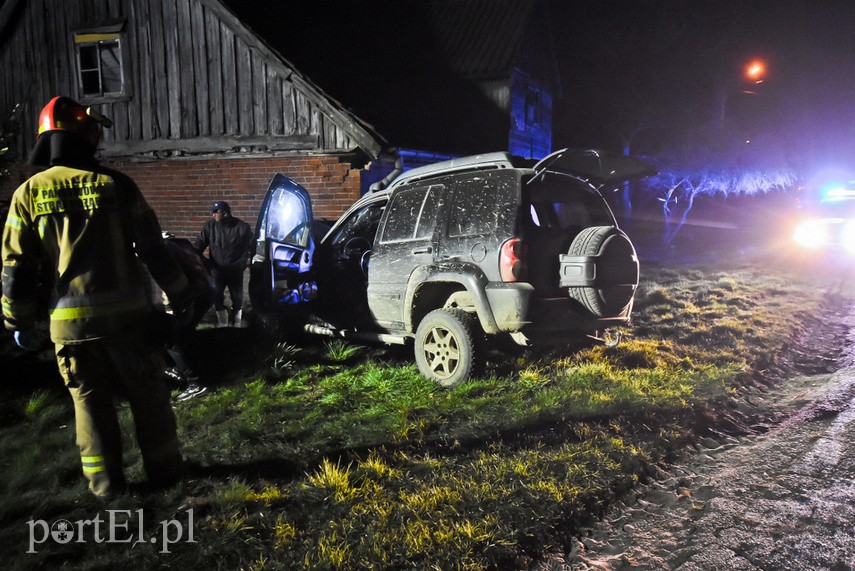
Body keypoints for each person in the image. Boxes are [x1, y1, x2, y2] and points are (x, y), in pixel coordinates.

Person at [1, 96, 192, 499]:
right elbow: (154, 249)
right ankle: (167, 474)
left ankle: (106, 487)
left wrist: (18, 322)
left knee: (89, 409)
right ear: (86, 136)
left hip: (70, 331)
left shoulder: (28, 194)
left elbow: (16, 267)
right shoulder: (115, 185)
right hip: (130, 324)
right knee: (150, 400)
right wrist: (181, 294)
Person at [160, 232, 216, 401]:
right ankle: (189, 371)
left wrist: (170, 307)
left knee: (172, 341)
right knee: (185, 334)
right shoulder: (181, 245)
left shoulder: (161, 251)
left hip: (189, 296)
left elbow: (166, 278)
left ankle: (195, 384)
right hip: (206, 290)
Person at [194, 200, 253, 327]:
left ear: (225, 213)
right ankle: (223, 324)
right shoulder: (210, 226)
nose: (213, 215)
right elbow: (200, 243)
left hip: (235, 270)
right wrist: (192, 254)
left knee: (237, 298)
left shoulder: (241, 227)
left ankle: (236, 324)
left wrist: (243, 263)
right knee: (216, 296)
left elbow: (250, 246)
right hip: (217, 270)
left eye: (216, 212)